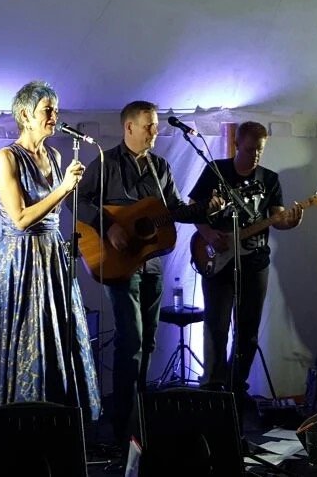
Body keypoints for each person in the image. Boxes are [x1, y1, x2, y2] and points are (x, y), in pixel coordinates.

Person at [73, 101, 218, 445]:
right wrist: (109, 226)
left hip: (151, 263)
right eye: (149, 125)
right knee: (132, 340)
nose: (156, 131)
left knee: (147, 341)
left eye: (155, 125)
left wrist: (206, 210)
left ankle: (139, 419)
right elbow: (76, 198)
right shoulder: (106, 163)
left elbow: (175, 210)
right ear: (129, 128)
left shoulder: (160, 168)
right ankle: (121, 423)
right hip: (119, 266)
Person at [0, 81, 101, 433]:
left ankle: (54, 420)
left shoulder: (54, 156)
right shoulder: (5, 158)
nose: (54, 117)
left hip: (52, 256)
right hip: (20, 260)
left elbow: (53, 211)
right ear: (25, 115)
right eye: (47, 111)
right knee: (23, 338)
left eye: (55, 109)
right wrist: (63, 188)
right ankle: (14, 424)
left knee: (55, 336)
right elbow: (21, 218)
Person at [188, 121, 302, 411]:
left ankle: (237, 387)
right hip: (218, 259)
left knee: (248, 330)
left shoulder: (270, 179)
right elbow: (192, 209)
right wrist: (208, 233)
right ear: (237, 144)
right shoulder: (216, 171)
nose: (255, 156)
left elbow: (277, 217)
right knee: (216, 325)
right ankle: (213, 387)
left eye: (260, 151)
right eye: (250, 149)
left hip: (255, 262)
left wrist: (290, 222)